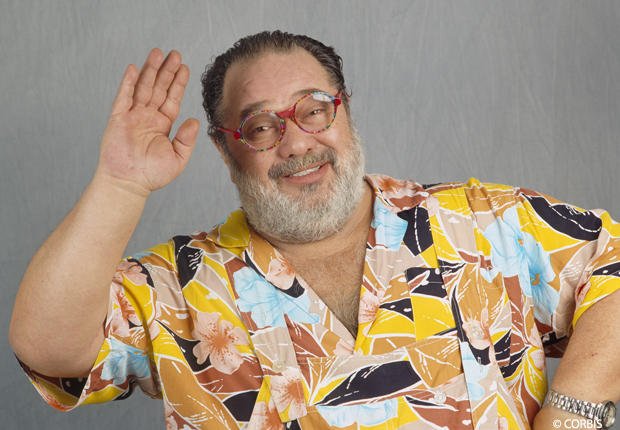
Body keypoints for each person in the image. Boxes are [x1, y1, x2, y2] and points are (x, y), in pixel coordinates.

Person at [8, 31, 620, 430]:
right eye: (261, 127)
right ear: (225, 149)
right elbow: (50, 349)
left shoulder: (486, 222)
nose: (297, 142)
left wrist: (573, 411)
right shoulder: (177, 286)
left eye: (313, 109)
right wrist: (119, 185)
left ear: (344, 109)